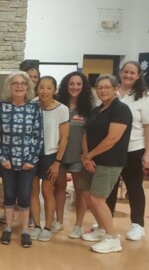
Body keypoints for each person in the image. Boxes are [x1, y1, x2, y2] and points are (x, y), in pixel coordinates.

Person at [78, 74, 132, 254]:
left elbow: (112, 139)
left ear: (115, 88)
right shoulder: (97, 110)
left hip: (110, 162)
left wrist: (89, 156)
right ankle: (101, 229)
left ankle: (112, 239)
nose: (102, 90)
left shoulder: (121, 110)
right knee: (86, 193)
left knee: (98, 199)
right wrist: (86, 156)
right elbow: (85, 134)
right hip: (90, 160)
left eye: (107, 87)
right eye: (99, 87)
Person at [0, 71, 43, 248]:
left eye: (23, 83)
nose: (19, 86)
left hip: (28, 162)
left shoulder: (34, 108)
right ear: (9, 87)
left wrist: (32, 158)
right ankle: (7, 228)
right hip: (7, 161)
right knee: (9, 194)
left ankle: (25, 231)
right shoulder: (0, 107)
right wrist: (2, 157)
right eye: (15, 83)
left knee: (25, 195)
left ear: (28, 87)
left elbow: (38, 136)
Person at [106, 61, 149, 241]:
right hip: (111, 149)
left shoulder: (143, 97)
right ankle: (105, 222)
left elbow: (147, 127)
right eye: (126, 72)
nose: (128, 75)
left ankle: (137, 225)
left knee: (134, 187)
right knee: (110, 188)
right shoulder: (110, 92)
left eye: (133, 73)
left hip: (134, 149)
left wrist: (147, 153)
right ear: (120, 72)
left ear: (138, 76)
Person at [29, 76, 69, 242]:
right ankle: (37, 225)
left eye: (49, 88)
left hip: (50, 155)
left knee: (47, 190)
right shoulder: (32, 105)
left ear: (54, 90)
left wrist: (57, 162)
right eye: (41, 87)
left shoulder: (61, 109)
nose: (44, 91)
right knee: (33, 191)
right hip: (32, 154)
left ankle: (48, 226)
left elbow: (64, 138)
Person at [55, 72, 93, 239]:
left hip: (78, 156)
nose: (75, 87)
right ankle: (58, 220)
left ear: (83, 87)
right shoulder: (57, 104)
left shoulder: (88, 109)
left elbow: (89, 135)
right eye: (71, 84)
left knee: (80, 190)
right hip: (58, 155)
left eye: (78, 84)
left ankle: (78, 224)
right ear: (66, 85)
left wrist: (86, 156)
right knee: (60, 188)